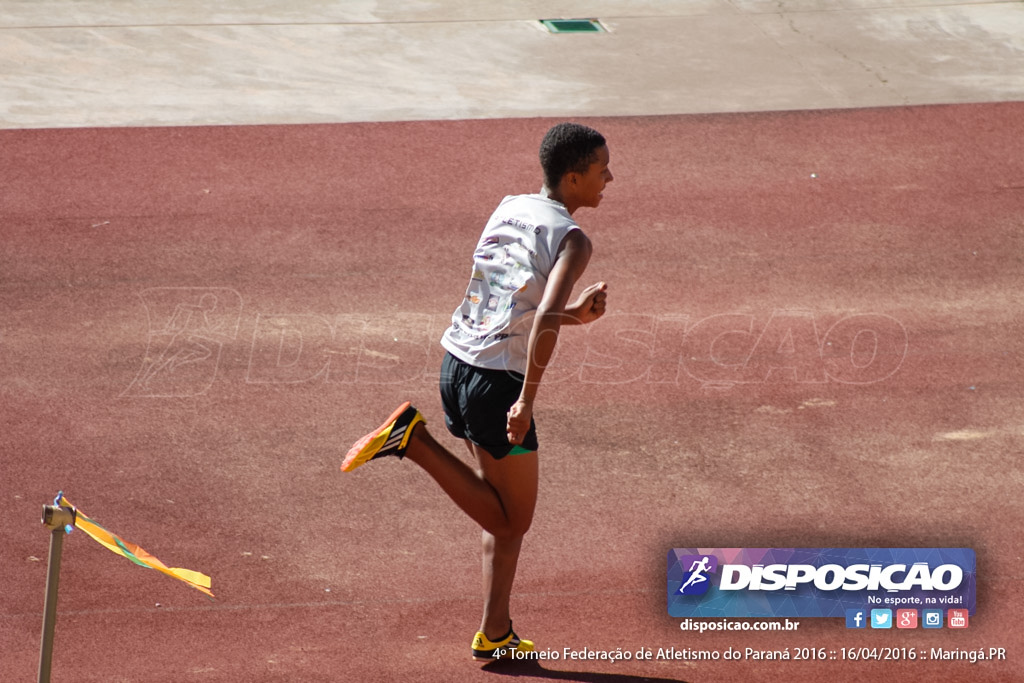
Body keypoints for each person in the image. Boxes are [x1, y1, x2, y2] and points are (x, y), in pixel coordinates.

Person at [342, 122, 612, 661]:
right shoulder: (574, 240)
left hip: (457, 364)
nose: (612, 177)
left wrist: (575, 316)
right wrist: (526, 400)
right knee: (514, 518)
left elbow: (511, 298)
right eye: (603, 169)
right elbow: (540, 328)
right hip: (496, 385)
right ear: (574, 176)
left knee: (499, 510)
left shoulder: (511, 206)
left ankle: (495, 632)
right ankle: (411, 441)